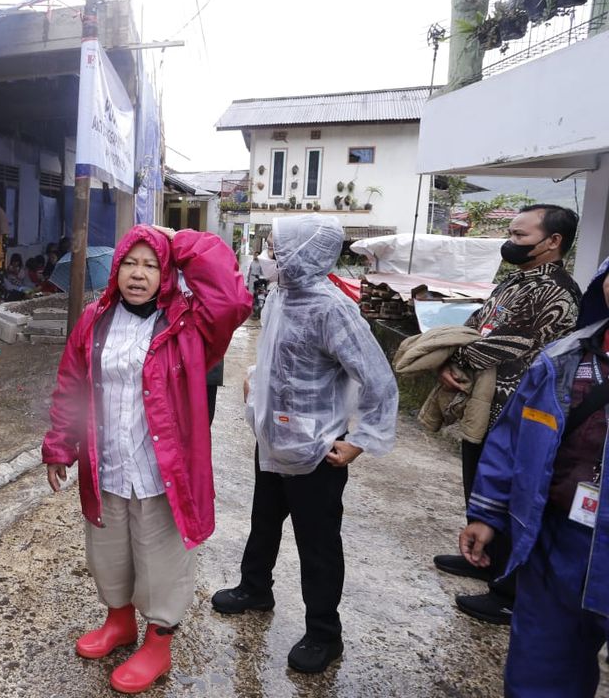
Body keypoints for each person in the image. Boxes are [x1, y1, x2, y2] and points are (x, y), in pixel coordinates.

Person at [43, 224, 251, 694]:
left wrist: (179, 242)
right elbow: (72, 384)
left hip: (163, 472)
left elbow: (234, 300)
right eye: (130, 263)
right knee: (108, 553)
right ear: (116, 269)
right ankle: (119, 622)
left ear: (168, 272)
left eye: (151, 264)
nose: (138, 274)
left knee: (161, 562)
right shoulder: (95, 319)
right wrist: (59, 443)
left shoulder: (190, 324)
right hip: (108, 463)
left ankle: (158, 643)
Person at [211, 214, 398, 674]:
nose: (268, 257)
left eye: (275, 248)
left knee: (317, 545)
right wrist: (255, 384)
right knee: (263, 522)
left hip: (317, 451)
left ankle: (323, 633)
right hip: (274, 440)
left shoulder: (332, 309)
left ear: (302, 253)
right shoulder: (280, 296)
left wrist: (360, 440)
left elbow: (377, 379)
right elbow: (279, 357)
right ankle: (255, 588)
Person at [459, 256, 609, 697]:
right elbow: (512, 439)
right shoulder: (564, 359)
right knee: (541, 672)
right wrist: (488, 515)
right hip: (558, 541)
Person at [433, 204, 581, 625]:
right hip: (483, 402)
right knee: (479, 482)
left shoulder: (559, 292)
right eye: (511, 234)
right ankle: (480, 552)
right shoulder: (515, 281)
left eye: (520, 236)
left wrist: (456, 355)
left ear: (552, 242)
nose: (510, 243)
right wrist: (450, 360)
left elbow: (514, 342)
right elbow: (477, 324)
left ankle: (510, 588)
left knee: (515, 496)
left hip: (520, 413)